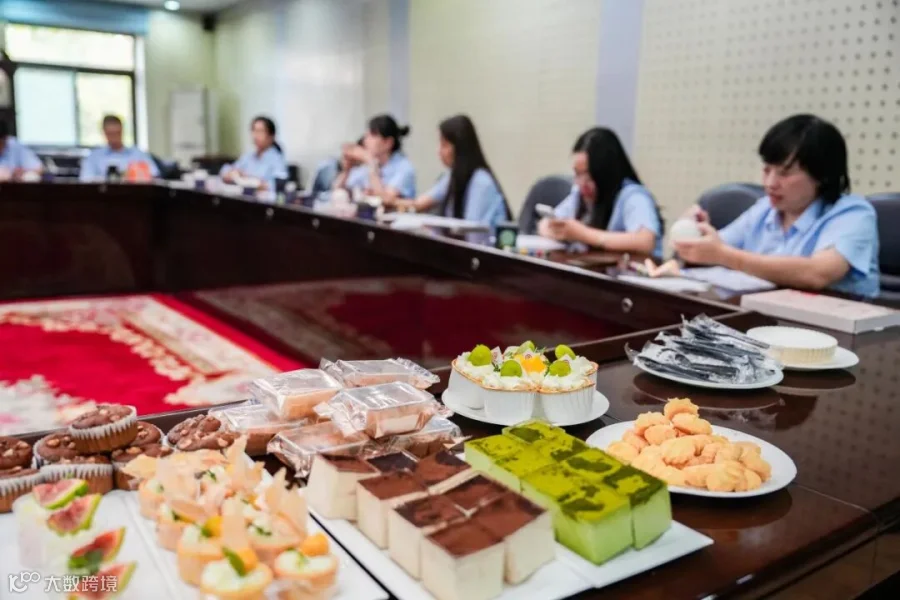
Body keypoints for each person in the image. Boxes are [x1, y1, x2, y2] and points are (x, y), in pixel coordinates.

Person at [674, 114, 880, 298]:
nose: (770, 183)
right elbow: (714, 250)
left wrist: (723, 255)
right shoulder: (765, 208)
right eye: (766, 170)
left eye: (784, 173)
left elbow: (817, 273)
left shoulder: (853, 214)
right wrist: (695, 233)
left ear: (822, 176)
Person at [537, 127, 663, 257]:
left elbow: (645, 242)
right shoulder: (579, 194)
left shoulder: (633, 196)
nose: (581, 183)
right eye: (577, 174)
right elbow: (545, 224)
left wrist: (583, 234)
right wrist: (555, 230)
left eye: (589, 175)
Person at [389, 114, 510, 231]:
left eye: (444, 145)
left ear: (460, 148)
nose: (439, 151)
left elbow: (471, 232)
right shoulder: (451, 176)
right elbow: (419, 204)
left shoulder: (481, 182)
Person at [333, 114, 416, 201]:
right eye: (366, 135)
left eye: (372, 135)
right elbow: (337, 190)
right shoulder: (366, 167)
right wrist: (347, 170)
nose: (365, 140)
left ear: (388, 143)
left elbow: (386, 200)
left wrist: (370, 161)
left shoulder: (404, 168)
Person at [79, 115, 159, 181]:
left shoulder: (138, 154)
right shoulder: (94, 157)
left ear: (122, 131)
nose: (114, 138)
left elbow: (154, 175)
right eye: (110, 134)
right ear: (104, 133)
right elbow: (85, 180)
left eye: (117, 133)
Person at [220, 116, 288, 191]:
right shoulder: (248, 157)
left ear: (271, 136)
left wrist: (248, 179)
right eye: (254, 131)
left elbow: (277, 186)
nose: (255, 136)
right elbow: (227, 170)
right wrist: (231, 174)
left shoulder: (277, 159)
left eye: (260, 131)